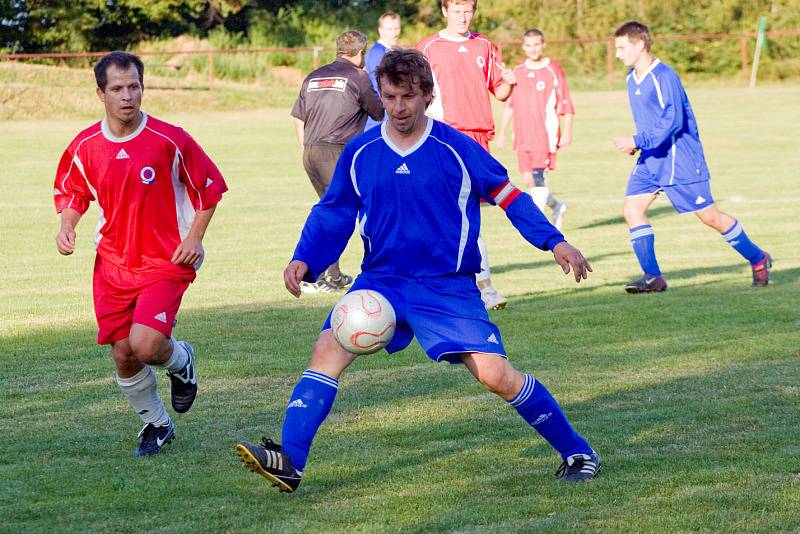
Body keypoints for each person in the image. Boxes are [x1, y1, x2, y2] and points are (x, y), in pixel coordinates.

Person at [235, 49, 600, 493]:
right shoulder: (362, 150)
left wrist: (554, 241)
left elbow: (510, 196)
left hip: (446, 285)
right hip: (382, 281)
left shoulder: (457, 148)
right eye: (389, 97)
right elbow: (334, 211)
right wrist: (304, 257)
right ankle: (291, 460)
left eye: (407, 96)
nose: (397, 107)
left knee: (495, 376)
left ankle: (578, 451)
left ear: (428, 95)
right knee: (326, 350)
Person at [53, 51, 227, 456]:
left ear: (143, 87)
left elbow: (208, 189)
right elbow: (74, 192)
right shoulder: (85, 145)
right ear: (101, 94)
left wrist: (195, 238)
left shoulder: (170, 139)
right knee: (124, 353)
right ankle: (157, 424)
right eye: (117, 89)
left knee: (147, 345)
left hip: (168, 260)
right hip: (113, 264)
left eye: (134, 86)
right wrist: (67, 225)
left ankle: (181, 361)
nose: (127, 96)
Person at [612, 21, 771, 292]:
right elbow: (653, 120)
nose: (618, 53)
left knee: (710, 217)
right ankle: (653, 277)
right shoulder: (631, 78)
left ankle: (758, 258)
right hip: (651, 159)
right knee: (632, 209)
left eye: (622, 47)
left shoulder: (664, 76)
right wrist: (638, 144)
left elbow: (672, 121)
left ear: (640, 45)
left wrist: (637, 139)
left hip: (679, 160)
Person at [416, 0, 517, 311]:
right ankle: (477, 286)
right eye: (456, 10)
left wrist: (510, 84)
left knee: (468, 215)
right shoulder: (428, 47)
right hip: (444, 138)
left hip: (477, 140)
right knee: (447, 214)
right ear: (445, 11)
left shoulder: (484, 46)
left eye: (467, 10)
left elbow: (498, 90)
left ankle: (478, 286)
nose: (462, 16)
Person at [291, 30, 384, 293]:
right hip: (338, 152)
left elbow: (297, 117)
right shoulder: (358, 76)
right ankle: (319, 276)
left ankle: (332, 275)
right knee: (349, 211)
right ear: (361, 52)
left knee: (331, 210)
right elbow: (378, 111)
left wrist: (307, 148)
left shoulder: (313, 76)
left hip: (310, 152)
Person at [496, 29, 574, 231]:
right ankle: (558, 206)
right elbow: (510, 105)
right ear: (523, 46)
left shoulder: (553, 70)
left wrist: (566, 132)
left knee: (539, 179)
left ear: (543, 44)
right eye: (529, 45)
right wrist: (502, 132)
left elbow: (565, 103)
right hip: (522, 136)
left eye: (536, 44)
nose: (533, 49)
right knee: (530, 182)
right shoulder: (519, 71)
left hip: (543, 136)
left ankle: (538, 228)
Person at [364, 11, 401, 130]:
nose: (394, 33)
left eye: (397, 28)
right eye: (389, 29)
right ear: (380, 30)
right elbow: (379, 87)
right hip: (378, 119)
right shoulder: (378, 52)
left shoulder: (391, 51)